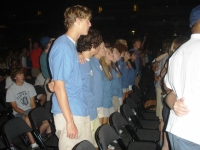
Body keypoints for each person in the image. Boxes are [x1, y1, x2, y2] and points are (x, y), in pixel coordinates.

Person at [48, 5, 93, 150]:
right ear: (77, 21)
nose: (90, 24)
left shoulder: (70, 46)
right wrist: (69, 121)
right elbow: (59, 87)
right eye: (88, 20)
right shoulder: (63, 46)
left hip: (78, 109)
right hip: (71, 113)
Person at [164, 5, 200, 150]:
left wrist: (173, 100)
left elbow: (167, 87)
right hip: (193, 132)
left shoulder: (178, 53)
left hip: (179, 128)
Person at [6, 67, 49, 149]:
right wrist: (27, 114)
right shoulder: (11, 90)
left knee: (47, 120)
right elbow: (14, 107)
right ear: (15, 77)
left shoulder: (29, 86)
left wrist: (33, 113)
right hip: (19, 112)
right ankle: (33, 144)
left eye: (22, 74)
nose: (22, 76)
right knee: (27, 119)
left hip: (30, 109)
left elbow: (33, 103)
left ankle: (34, 137)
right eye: (19, 74)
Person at [77, 29, 102, 149]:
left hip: (92, 109)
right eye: (99, 45)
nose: (100, 48)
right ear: (93, 45)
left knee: (96, 142)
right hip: (84, 112)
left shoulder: (90, 61)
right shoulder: (78, 62)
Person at [40, 36, 54, 101]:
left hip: (51, 81)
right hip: (50, 81)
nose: (52, 43)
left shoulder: (47, 55)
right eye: (51, 42)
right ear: (48, 44)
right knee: (51, 103)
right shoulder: (45, 56)